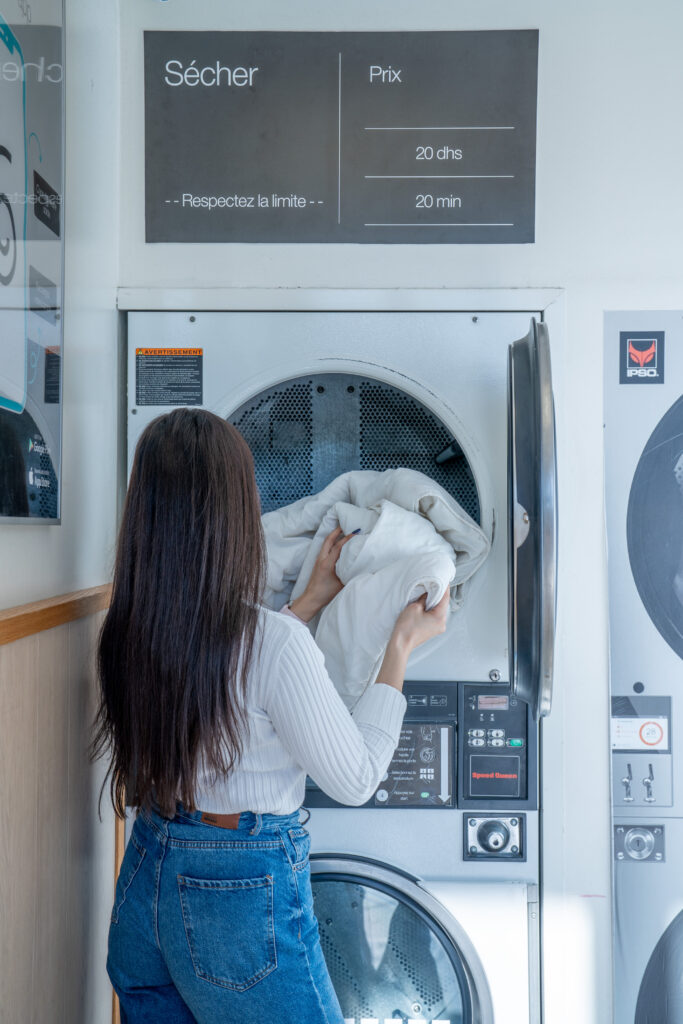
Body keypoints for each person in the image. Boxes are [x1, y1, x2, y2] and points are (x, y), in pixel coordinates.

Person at [92, 407, 449, 1024]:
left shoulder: (127, 631)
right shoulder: (273, 646)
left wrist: (307, 603)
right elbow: (357, 777)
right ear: (233, 518)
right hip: (236, 895)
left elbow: (223, 675)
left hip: (147, 873)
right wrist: (400, 647)